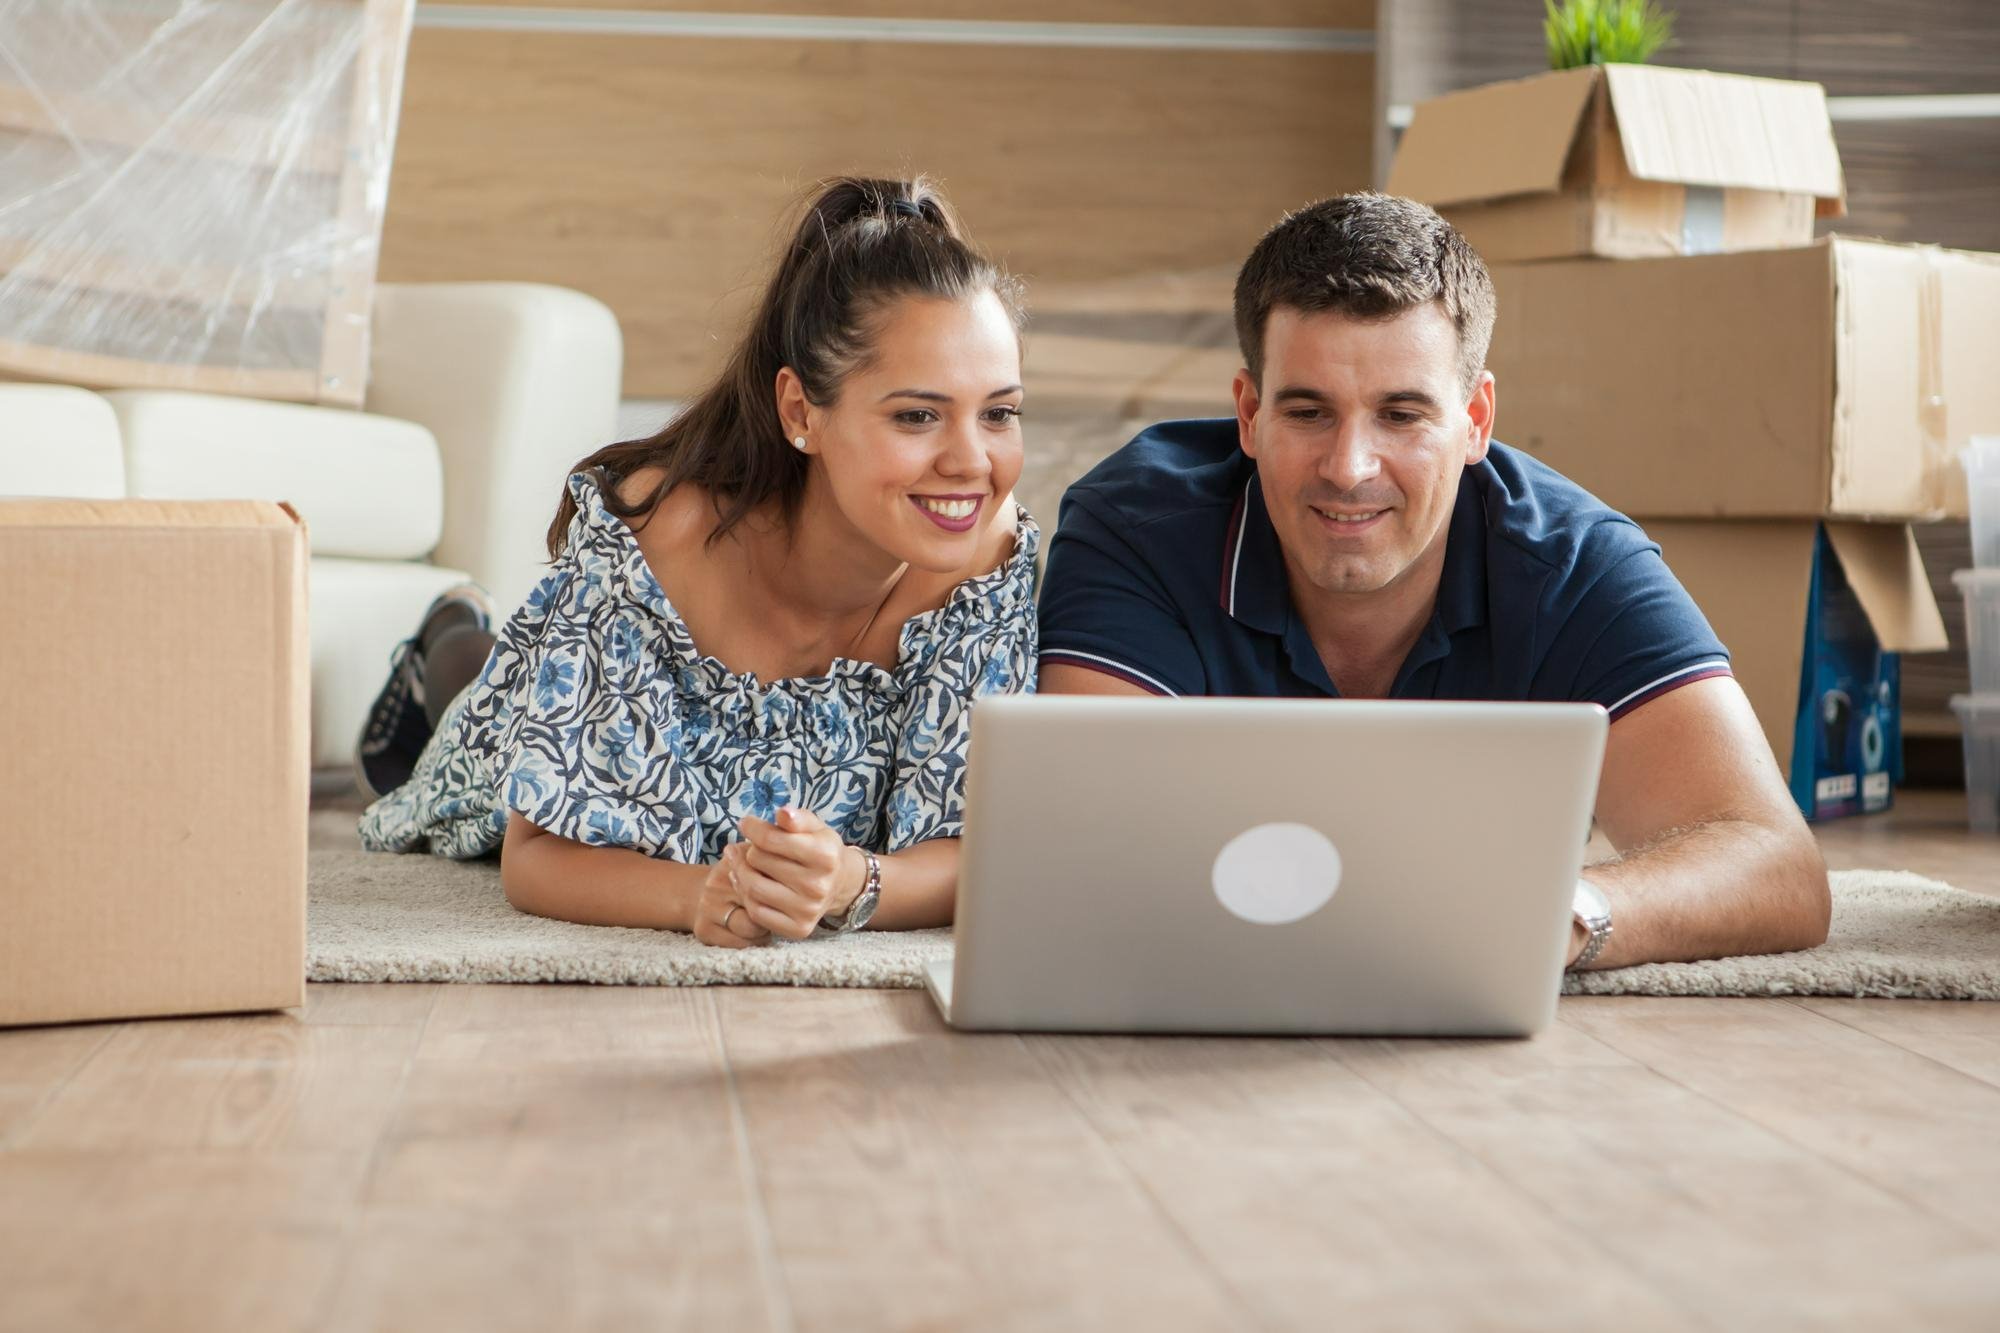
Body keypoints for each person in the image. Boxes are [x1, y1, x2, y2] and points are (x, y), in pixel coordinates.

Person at [1036, 191, 1830, 971]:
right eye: (1308, 412)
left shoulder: (1575, 564)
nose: (1349, 468)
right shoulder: (1134, 531)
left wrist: (1566, 912)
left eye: (1402, 415)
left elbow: (1775, 862)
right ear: (1248, 414)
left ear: (1476, 420)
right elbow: (1086, 843)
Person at [354, 176, 1038, 949]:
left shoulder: (984, 555)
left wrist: (857, 883)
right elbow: (537, 856)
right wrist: (694, 895)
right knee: (467, 724)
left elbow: (976, 850)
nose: (971, 462)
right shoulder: (659, 535)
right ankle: (447, 637)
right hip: (504, 733)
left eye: (1000, 412)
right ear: (800, 412)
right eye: (917, 414)